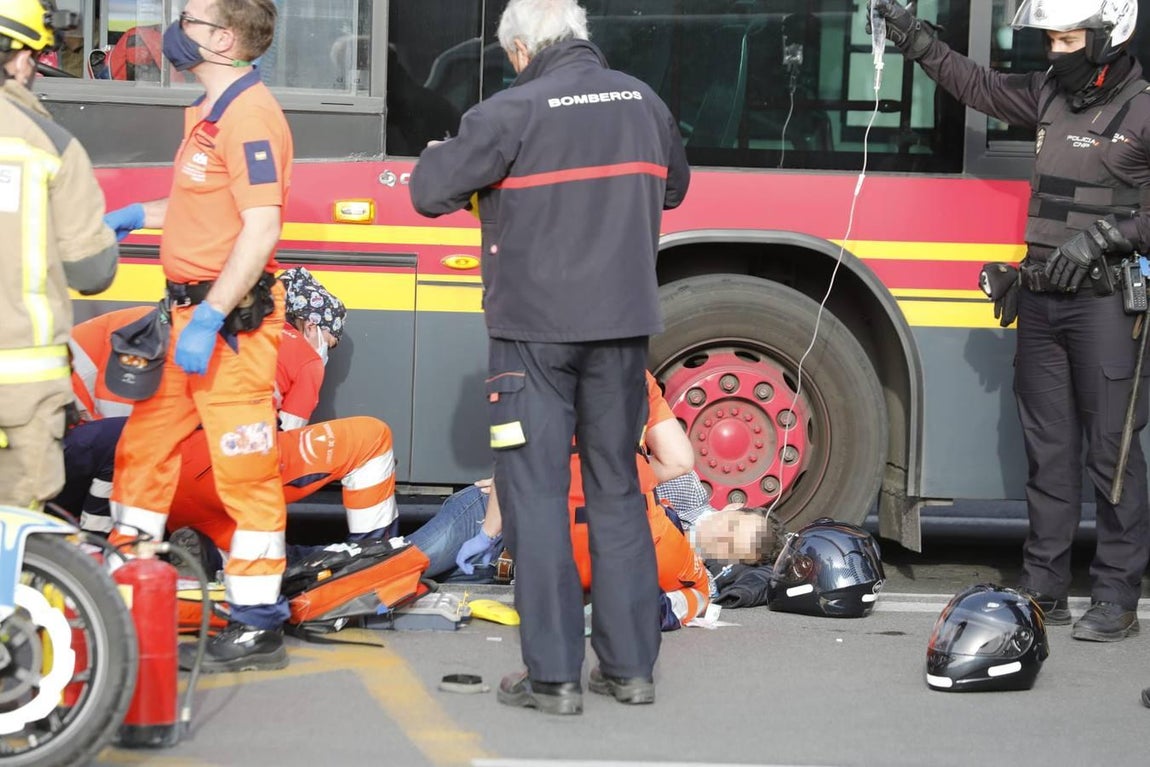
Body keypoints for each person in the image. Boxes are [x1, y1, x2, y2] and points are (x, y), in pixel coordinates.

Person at [409, 0, 689, 715]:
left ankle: (554, 676)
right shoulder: (644, 101)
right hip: (623, 333)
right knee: (619, 491)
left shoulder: (512, 109)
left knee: (535, 496)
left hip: (532, 336)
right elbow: (676, 187)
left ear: (525, 48)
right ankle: (631, 670)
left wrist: (449, 155)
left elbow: (426, 191)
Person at [870, 0, 1149, 642]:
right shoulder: (1049, 93)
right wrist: (916, 38)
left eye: (1070, 38)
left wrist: (1109, 236)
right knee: (1048, 455)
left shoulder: (1143, 109)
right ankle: (1044, 588)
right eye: (1050, 38)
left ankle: (1115, 596)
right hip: (1043, 301)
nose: (1056, 50)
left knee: (1114, 455)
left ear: (1111, 37)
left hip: (1107, 307)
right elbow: (978, 85)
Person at [102, 0, 294, 672]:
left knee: (245, 475)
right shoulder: (209, 113)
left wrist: (212, 313)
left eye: (188, 19)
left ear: (224, 38)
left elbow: (260, 226)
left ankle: (257, 621)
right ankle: (125, 592)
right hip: (187, 321)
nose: (173, 31)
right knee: (142, 453)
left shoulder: (250, 116)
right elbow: (197, 205)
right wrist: (133, 214)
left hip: (228, 330)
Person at [0, 0, 118, 509]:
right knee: (15, 536)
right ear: (21, 56)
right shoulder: (49, 143)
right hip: (18, 386)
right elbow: (91, 271)